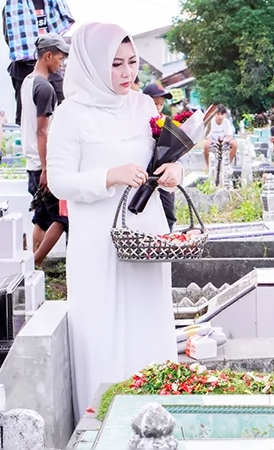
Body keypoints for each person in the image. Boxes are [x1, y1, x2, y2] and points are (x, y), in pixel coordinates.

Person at [47, 23, 180, 420]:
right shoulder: (70, 114)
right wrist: (110, 175)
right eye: (116, 64)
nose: (127, 74)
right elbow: (58, 182)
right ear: (90, 66)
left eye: (133, 63)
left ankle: (155, 415)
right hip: (97, 237)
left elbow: (161, 159)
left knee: (148, 314)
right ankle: (101, 420)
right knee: (102, 320)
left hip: (145, 230)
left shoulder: (142, 106)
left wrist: (174, 173)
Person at [21, 33, 69, 266]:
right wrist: (48, 168)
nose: (61, 63)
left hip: (33, 163)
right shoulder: (45, 88)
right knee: (62, 218)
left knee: (42, 218)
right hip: (43, 165)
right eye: (59, 58)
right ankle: (34, 264)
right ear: (48, 55)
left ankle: (31, 263)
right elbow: (43, 131)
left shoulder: (28, 81)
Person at [2, 0, 74, 124]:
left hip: (50, 64)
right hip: (24, 67)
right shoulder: (12, 7)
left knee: (63, 108)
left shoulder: (52, 5)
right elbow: (11, 38)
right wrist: (28, 51)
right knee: (26, 116)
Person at [142, 82, 176, 231]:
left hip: (162, 175)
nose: (158, 108)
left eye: (161, 104)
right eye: (155, 103)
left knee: (168, 212)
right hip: (143, 176)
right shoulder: (138, 122)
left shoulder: (166, 122)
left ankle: (168, 239)